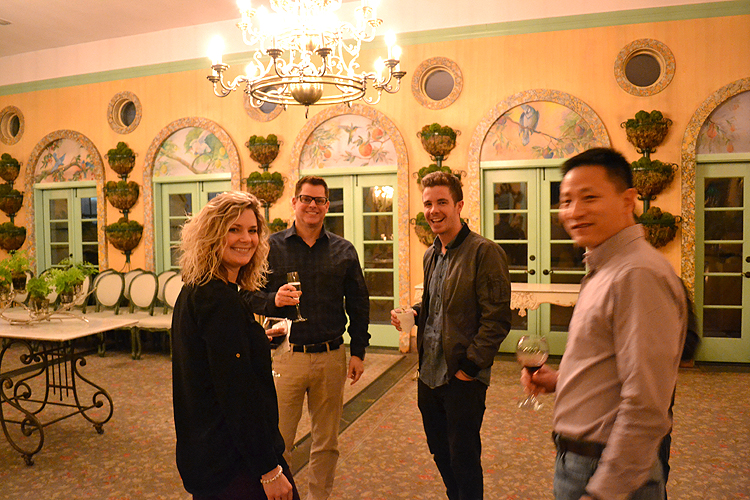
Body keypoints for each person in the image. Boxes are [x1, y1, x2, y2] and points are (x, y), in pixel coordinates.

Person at [522, 147, 687, 500]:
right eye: (566, 201)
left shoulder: (636, 273)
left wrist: (604, 492)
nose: (574, 212)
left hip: (606, 471)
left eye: (589, 198)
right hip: (583, 462)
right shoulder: (607, 266)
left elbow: (646, 404)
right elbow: (612, 362)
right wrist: (561, 379)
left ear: (628, 200)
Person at [391, 171, 512, 500]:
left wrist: (469, 369)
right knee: (440, 452)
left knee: (464, 458)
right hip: (428, 375)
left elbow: (497, 319)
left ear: (459, 205)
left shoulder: (484, 252)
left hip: (461, 378)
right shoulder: (431, 254)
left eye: (442, 202)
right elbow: (436, 305)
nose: (433, 211)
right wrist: (414, 313)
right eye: (428, 204)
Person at [171, 191, 298, 500]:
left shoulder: (197, 289)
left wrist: (256, 339)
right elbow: (237, 392)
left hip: (208, 453)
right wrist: (268, 470)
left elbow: (214, 363)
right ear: (212, 235)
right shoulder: (219, 299)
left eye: (253, 230)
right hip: (234, 462)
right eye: (234, 229)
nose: (247, 239)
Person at [251, 175, 370, 500]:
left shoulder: (344, 250)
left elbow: (359, 303)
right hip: (286, 356)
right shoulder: (270, 247)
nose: (312, 205)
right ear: (294, 202)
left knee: (327, 442)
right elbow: (248, 294)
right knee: (279, 441)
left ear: (327, 206)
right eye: (306, 198)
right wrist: (273, 300)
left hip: (331, 357)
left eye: (319, 200)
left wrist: (358, 351)